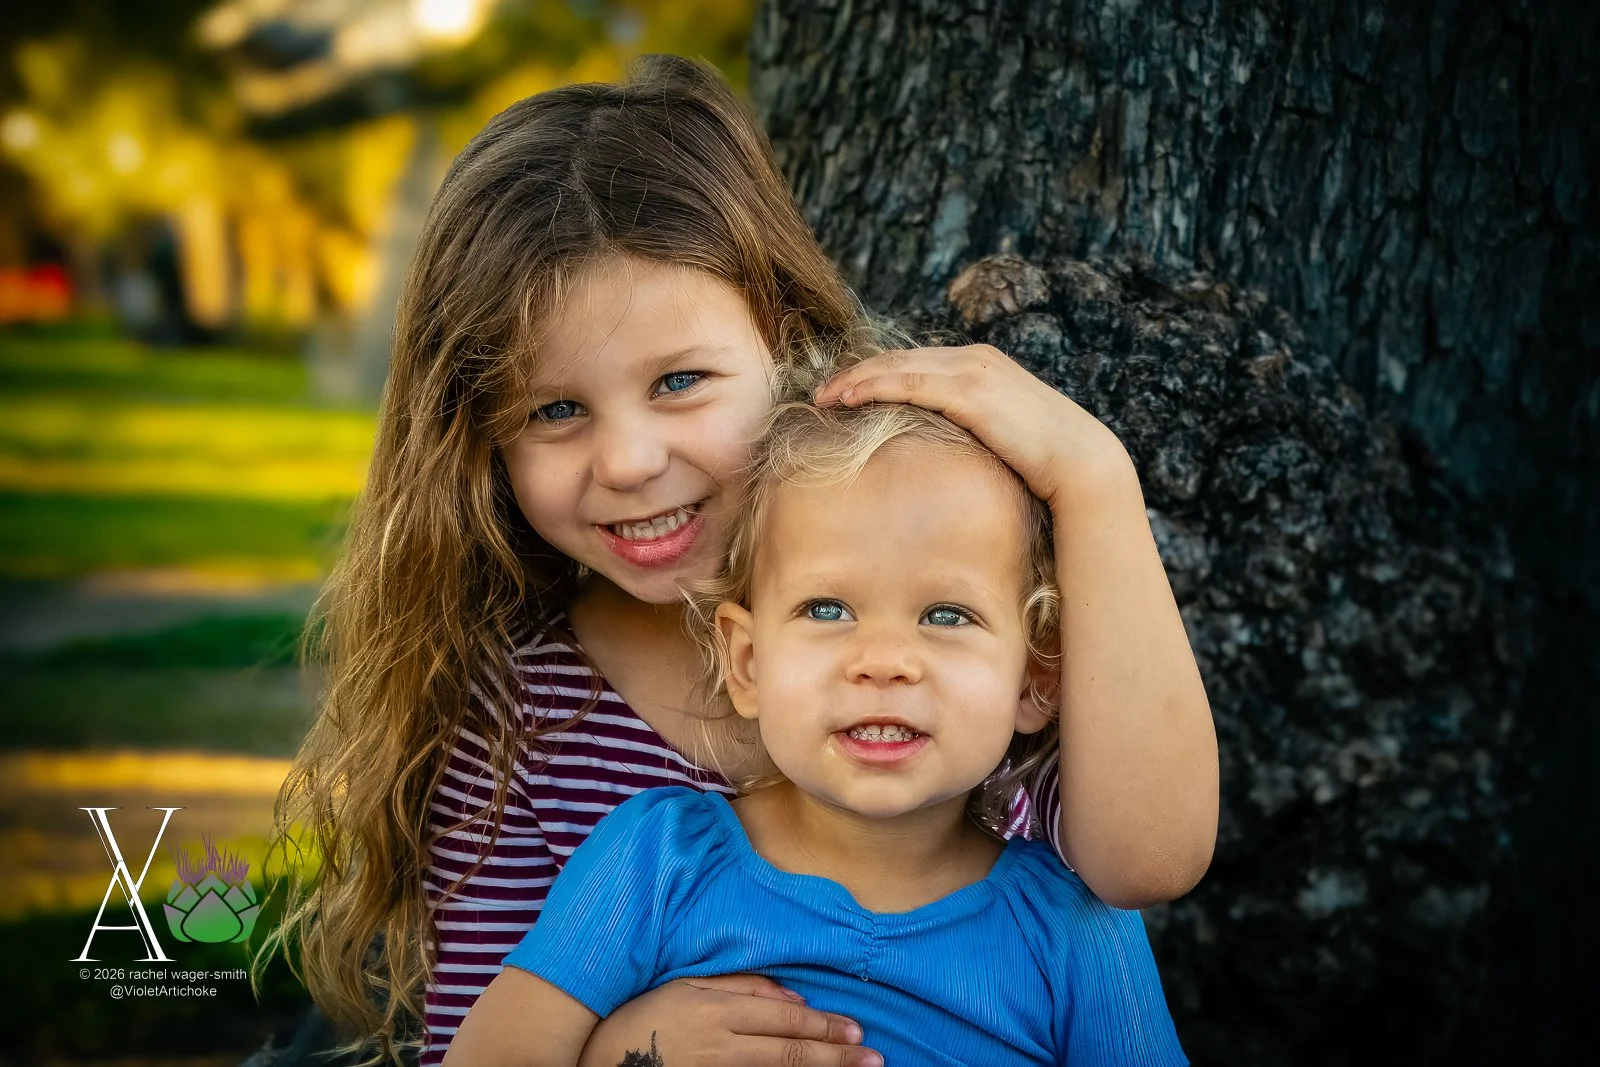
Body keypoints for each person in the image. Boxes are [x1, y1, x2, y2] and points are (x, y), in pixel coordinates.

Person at [262, 55, 1217, 1067]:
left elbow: (1147, 858)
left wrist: (1095, 481)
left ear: (787, 337)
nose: (628, 461)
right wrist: (619, 1052)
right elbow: (470, 1040)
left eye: (679, 379)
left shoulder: (964, 641)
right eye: (554, 410)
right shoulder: (516, 716)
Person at [441, 396, 1190, 1067]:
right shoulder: (654, 862)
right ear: (748, 663)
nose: (885, 662)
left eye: (946, 615)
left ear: (1035, 682)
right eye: (828, 609)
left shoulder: (1069, 929)